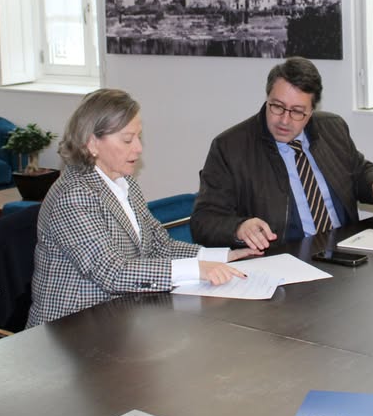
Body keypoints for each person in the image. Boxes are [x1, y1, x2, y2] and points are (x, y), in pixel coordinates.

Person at [27, 89, 258, 327]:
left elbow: (159, 244)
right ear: (92, 143)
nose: (138, 148)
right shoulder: (73, 195)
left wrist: (222, 257)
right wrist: (196, 269)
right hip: (69, 332)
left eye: (139, 137)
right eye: (127, 139)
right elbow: (112, 272)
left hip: (118, 321)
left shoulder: (124, 182)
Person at [192, 56, 373, 250]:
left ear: (311, 111)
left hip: (345, 250)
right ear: (267, 98)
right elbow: (204, 222)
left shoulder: (332, 128)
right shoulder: (230, 148)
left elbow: (359, 170)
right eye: (277, 107)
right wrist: (238, 227)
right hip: (283, 258)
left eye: (297, 111)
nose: (284, 120)